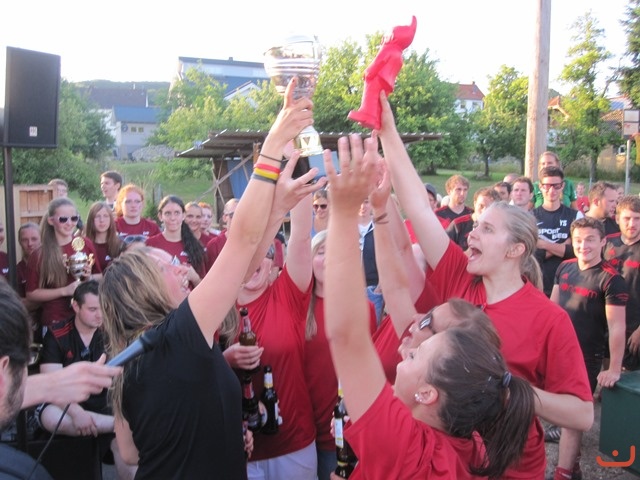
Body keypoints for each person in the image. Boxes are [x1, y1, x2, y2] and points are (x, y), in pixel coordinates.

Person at [99, 78, 317, 479]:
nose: (180, 268)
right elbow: (241, 243)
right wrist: (272, 145)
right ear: (144, 291)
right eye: (166, 266)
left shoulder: (132, 359)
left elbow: (128, 452)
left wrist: (216, 434)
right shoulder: (177, 335)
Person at [377, 91, 593, 479]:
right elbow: (419, 208)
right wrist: (387, 131)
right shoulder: (458, 275)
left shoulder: (548, 318)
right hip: (449, 459)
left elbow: (582, 414)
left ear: (516, 249)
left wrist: (510, 388)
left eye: (487, 230)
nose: (473, 234)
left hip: (513, 467)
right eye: (476, 226)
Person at [322, 134, 536, 479]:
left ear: (426, 393)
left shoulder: (406, 446)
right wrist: (380, 208)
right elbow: (394, 285)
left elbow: (348, 337)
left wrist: (344, 213)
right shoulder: (469, 443)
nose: (407, 349)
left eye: (418, 355)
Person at [230, 175, 325, 479]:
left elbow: (300, 236)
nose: (256, 259)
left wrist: (297, 173)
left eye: (265, 253)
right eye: (250, 251)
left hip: (293, 444)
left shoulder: (287, 296)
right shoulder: (218, 306)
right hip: (239, 448)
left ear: (274, 264)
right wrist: (226, 360)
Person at [548, 217, 627, 480]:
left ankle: (564, 473)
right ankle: (573, 466)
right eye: (579, 240)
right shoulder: (565, 266)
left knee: (573, 417)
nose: (584, 246)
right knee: (560, 411)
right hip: (559, 350)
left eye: (590, 240)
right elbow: (552, 310)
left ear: (603, 241)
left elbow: (617, 327)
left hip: (587, 355)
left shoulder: (611, 279)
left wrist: (613, 368)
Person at [37, 280, 136, 479]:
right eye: (92, 309)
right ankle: (117, 424)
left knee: (124, 445)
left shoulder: (112, 332)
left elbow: (125, 378)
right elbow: (52, 386)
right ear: (76, 306)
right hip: (66, 402)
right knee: (51, 417)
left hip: (104, 402)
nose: (100, 315)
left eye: (102, 308)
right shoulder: (56, 334)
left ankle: (118, 425)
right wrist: (77, 413)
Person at [303, 230, 377, 480]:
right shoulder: (299, 308)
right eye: (321, 252)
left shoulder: (362, 308)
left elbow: (369, 371)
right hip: (300, 430)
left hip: (339, 433)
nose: (327, 259)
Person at [25, 198, 102, 329]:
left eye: (74, 218)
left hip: (85, 318)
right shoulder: (39, 254)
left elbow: (100, 276)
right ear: (51, 221)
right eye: (63, 219)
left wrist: (88, 277)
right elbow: (31, 294)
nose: (69, 223)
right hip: (55, 319)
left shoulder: (85, 244)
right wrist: (64, 291)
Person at [347, 16, 417, 130]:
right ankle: (377, 120)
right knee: (379, 102)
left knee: (370, 96)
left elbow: (378, 62)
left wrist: (369, 72)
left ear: (393, 37)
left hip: (377, 78)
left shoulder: (388, 49)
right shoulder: (399, 56)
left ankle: (366, 114)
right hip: (388, 82)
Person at [533, 166, 583, 297]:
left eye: (556, 186)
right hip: (539, 283)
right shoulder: (529, 217)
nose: (552, 190)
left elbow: (576, 251)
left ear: (562, 186)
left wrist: (543, 244)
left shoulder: (576, 216)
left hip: (569, 283)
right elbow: (534, 255)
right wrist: (563, 246)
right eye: (547, 186)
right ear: (540, 187)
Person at [604, 195, 640, 371]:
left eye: (637, 218)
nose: (632, 224)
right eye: (627, 218)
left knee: (628, 378)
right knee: (604, 374)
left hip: (633, 327)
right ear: (617, 219)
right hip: (604, 323)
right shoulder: (607, 242)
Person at [146, 195, 206, 287]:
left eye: (177, 213)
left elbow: (204, 287)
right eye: (168, 213)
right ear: (160, 216)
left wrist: (195, 278)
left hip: (189, 296)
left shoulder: (195, 246)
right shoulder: (150, 244)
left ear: (183, 215)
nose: (173, 218)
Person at [446, 187, 500, 251]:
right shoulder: (458, 224)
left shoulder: (499, 228)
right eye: (481, 206)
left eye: (489, 208)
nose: (484, 210)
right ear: (475, 204)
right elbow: (444, 249)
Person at [84, 201, 123, 272]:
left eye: (105, 216)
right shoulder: (84, 246)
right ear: (91, 220)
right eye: (97, 216)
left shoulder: (120, 245)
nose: (101, 220)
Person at [16, 222, 42, 321]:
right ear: (19, 242)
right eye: (25, 240)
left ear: (42, 239)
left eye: (34, 239)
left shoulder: (51, 265)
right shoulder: (17, 270)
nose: (30, 244)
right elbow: (16, 303)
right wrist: (46, 299)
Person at [205, 198, 239, 267]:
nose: (238, 218)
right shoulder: (214, 245)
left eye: (242, 214)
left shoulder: (252, 242)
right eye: (233, 215)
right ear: (224, 218)